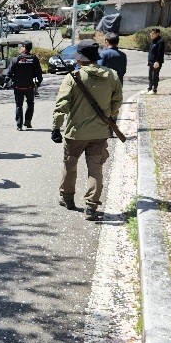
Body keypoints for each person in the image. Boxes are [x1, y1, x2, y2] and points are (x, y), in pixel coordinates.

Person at [51, 40, 122, 220]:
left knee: (70, 164)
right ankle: (91, 207)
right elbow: (117, 102)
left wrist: (56, 127)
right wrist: (110, 116)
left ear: (81, 59)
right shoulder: (112, 76)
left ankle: (67, 198)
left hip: (75, 133)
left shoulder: (73, 77)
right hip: (99, 133)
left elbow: (62, 105)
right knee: (96, 169)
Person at [7, 40, 43, 130]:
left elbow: (9, 72)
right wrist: (38, 82)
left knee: (19, 105)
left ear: (24, 48)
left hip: (18, 86)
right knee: (30, 103)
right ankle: (27, 121)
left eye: (21, 47)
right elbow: (39, 73)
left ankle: (19, 125)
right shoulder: (33, 59)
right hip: (29, 86)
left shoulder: (16, 59)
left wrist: (7, 81)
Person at [146, 28, 165, 94]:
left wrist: (157, 61)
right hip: (151, 61)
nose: (151, 34)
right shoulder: (153, 41)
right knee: (150, 76)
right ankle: (150, 88)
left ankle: (154, 89)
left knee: (155, 76)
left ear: (157, 34)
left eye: (152, 33)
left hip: (156, 62)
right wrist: (148, 61)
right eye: (151, 33)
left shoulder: (160, 41)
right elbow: (151, 52)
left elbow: (160, 53)